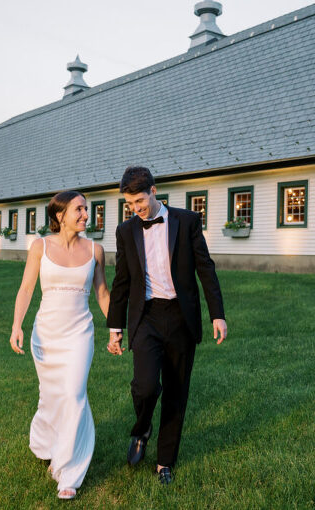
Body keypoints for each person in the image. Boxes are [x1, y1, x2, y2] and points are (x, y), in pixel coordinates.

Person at [106, 166, 227, 485]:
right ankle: (142, 429)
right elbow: (121, 281)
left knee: (176, 390)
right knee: (145, 386)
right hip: (146, 316)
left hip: (180, 316)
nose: (136, 209)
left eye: (140, 201)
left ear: (154, 191)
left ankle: (165, 462)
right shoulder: (125, 231)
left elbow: (205, 268)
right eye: (130, 204)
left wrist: (217, 314)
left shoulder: (187, 221)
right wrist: (115, 327)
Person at [9, 190, 110, 500]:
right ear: (59, 215)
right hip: (46, 335)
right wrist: (17, 325)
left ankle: (68, 472)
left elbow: (102, 293)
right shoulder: (39, 247)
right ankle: (49, 445)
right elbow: (27, 288)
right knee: (52, 396)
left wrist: (116, 327)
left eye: (86, 209)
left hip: (79, 334)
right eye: (79, 209)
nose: (85, 214)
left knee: (74, 394)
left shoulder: (95, 250)